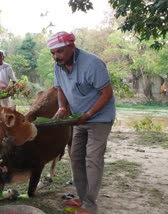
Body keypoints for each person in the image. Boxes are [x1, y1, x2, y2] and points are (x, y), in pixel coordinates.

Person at [47, 32, 115, 214]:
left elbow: (107, 94)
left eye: (59, 51)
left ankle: (90, 206)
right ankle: (84, 198)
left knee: (92, 159)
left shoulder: (92, 64)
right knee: (76, 157)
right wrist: (62, 108)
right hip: (78, 119)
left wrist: (89, 113)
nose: (56, 57)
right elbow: (60, 89)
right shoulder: (58, 66)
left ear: (71, 46)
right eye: (52, 53)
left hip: (99, 118)